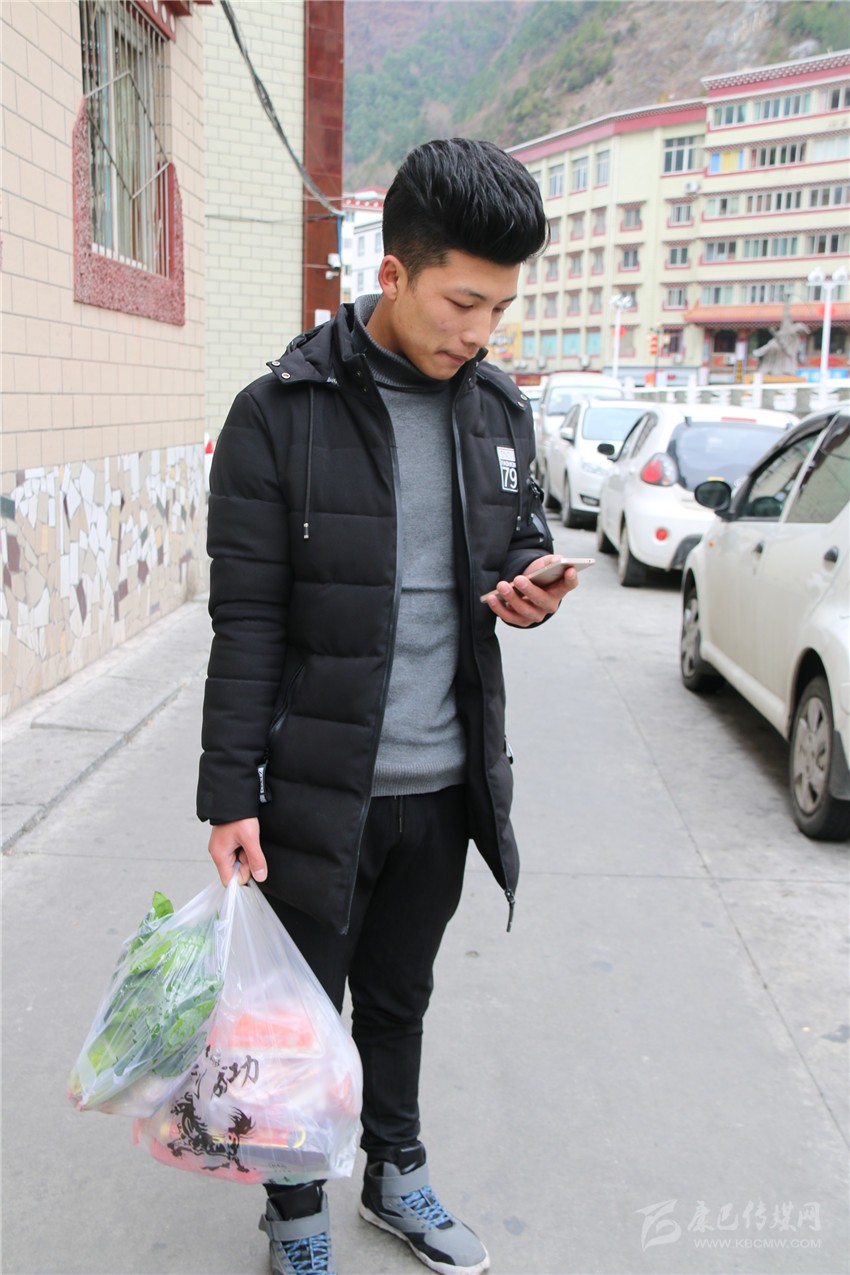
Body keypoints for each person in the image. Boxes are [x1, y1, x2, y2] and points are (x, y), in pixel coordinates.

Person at [197, 137, 578, 1275]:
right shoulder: (280, 413)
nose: (481, 332)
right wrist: (229, 794)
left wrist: (532, 585)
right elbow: (246, 620)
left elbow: (517, 542)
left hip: (445, 782)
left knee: (400, 999)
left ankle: (395, 1172)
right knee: (298, 1015)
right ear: (395, 270)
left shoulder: (497, 408)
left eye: (500, 308)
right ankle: (295, 1210)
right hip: (317, 792)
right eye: (464, 302)